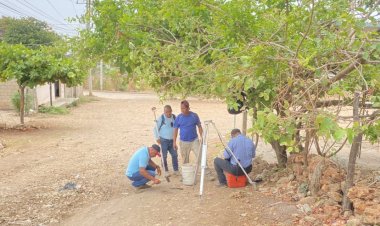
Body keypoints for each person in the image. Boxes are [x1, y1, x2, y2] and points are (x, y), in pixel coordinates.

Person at [153, 105, 179, 175]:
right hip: (163, 140)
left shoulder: (174, 117)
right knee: (164, 156)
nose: (168, 113)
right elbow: (155, 128)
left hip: (172, 140)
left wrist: (174, 140)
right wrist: (157, 138)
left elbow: (176, 127)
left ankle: (176, 170)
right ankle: (166, 170)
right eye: (166, 112)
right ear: (164, 112)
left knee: (175, 155)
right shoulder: (161, 118)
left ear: (171, 111)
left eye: (169, 112)